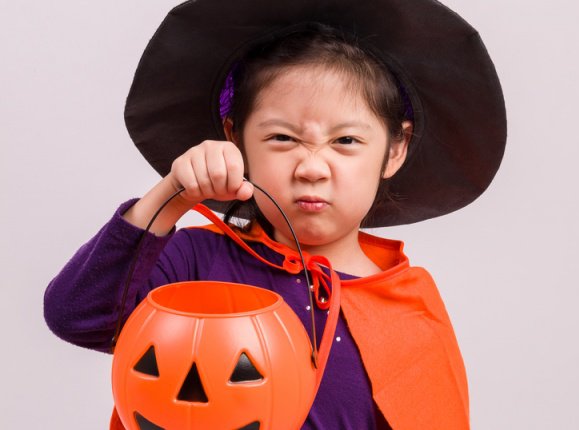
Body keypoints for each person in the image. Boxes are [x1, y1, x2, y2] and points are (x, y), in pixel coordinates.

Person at [44, 0, 505, 429]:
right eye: (283, 139)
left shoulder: (408, 308)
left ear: (395, 150)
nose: (311, 168)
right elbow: (77, 317)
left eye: (345, 141)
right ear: (236, 137)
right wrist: (172, 197)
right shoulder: (192, 265)